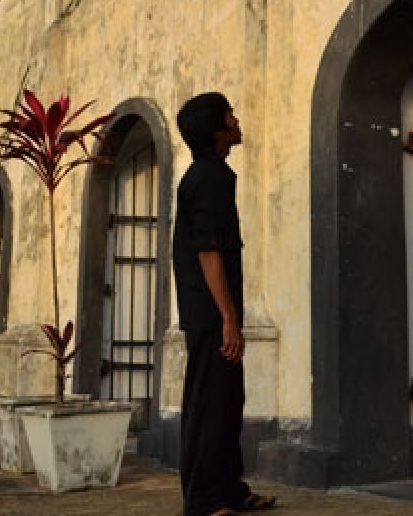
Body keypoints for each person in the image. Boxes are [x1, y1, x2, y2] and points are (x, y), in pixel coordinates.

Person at [174, 92, 277, 515]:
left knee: (229, 401)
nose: (237, 119)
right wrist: (228, 319)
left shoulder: (215, 173)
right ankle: (203, 500)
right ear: (218, 128)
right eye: (230, 114)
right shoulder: (208, 178)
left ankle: (230, 489)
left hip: (216, 309)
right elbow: (208, 250)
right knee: (208, 403)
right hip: (209, 311)